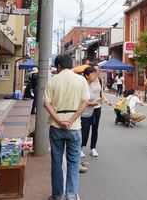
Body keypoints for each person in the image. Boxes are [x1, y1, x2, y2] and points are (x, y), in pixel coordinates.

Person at [44, 54, 90, 200]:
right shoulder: (81, 80)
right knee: (73, 162)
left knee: (57, 162)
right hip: (75, 126)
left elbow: (47, 103)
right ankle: (71, 194)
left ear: (58, 66)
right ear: (71, 64)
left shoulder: (52, 81)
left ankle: (57, 195)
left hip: (56, 126)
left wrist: (59, 120)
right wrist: (71, 120)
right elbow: (85, 102)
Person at [81, 64, 112, 158]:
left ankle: (93, 148)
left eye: (98, 71)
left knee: (95, 128)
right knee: (85, 129)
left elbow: (101, 93)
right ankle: (81, 148)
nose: (96, 73)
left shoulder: (99, 80)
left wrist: (106, 101)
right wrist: (91, 103)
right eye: (94, 71)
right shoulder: (84, 83)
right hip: (87, 108)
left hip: (97, 107)